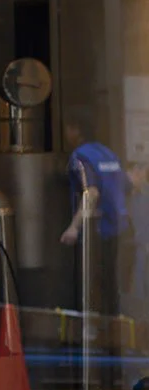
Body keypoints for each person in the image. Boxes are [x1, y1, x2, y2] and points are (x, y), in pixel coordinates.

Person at [60, 108, 130, 328]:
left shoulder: (80, 157)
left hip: (95, 231)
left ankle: (91, 329)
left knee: (91, 280)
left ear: (75, 130)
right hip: (118, 228)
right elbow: (126, 185)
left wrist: (73, 227)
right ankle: (113, 328)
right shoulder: (108, 154)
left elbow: (91, 192)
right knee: (111, 282)